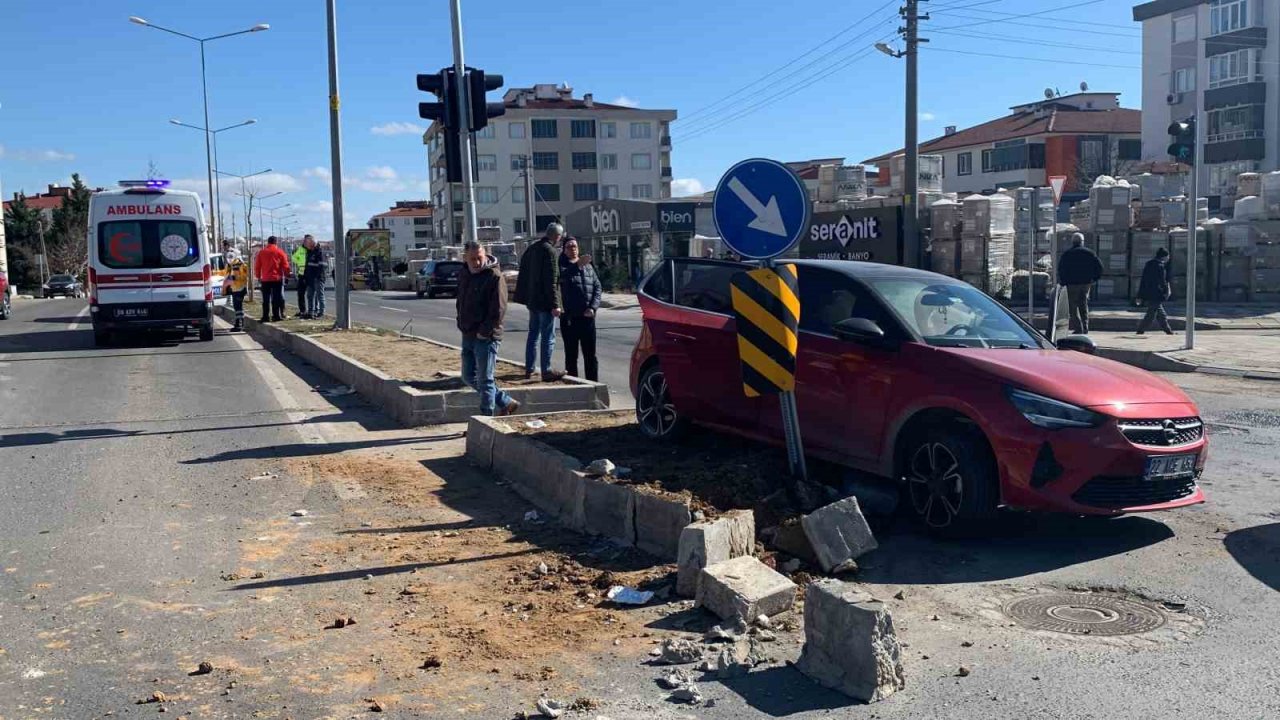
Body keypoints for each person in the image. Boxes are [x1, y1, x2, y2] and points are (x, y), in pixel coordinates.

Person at [456, 241, 519, 416]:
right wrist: (460, 322)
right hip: (468, 333)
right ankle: (505, 402)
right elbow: (460, 301)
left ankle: (486, 419)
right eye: (472, 259)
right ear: (465, 258)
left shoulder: (494, 276)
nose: (476, 263)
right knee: (468, 377)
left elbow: (498, 309)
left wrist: (484, 332)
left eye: (479, 258)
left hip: (487, 337)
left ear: (485, 256)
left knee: (485, 379)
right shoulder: (464, 274)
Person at [514, 222, 564, 381]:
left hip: (532, 300)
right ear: (557, 236)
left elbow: (524, 274)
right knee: (548, 337)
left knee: (533, 335)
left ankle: (530, 368)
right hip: (545, 302)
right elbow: (552, 280)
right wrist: (555, 304)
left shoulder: (532, 249)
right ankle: (546, 370)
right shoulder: (550, 251)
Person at [558, 236, 602, 381]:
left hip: (588, 318)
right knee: (571, 356)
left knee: (590, 355)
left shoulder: (588, 266)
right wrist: (577, 266)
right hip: (570, 319)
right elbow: (561, 279)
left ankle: (593, 384)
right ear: (564, 250)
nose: (573, 249)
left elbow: (597, 287)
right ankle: (573, 385)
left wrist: (593, 308)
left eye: (575, 246)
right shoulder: (561, 265)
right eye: (569, 246)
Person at [1057, 232, 1103, 334]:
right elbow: (1099, 267)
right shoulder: (1090, 253)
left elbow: (1061, 269)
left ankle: (1078, 328)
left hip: (1071, 284)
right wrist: (1094, 279)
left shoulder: (1067, 254)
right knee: (1083, 305)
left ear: (1072, 242)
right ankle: (1085, 327)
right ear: (1082, 242)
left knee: (1072, 307)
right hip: (1085, 284)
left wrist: (1063, 282)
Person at [1136, 247, 1175, 335]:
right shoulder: (1160, 266)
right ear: (1163, 256)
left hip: (1148, 292)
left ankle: (1168, 330)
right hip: (1156, 293)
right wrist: (1166, 292)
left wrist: (1139, 295)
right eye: (1168, 256)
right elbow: (1162, 281)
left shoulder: (1149, 264)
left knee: (1161, 314)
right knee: (1151, 314)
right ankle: (1140, 330)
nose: (1168, 258)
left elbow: (1143, 280)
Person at [254, 236, 291, 322]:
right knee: (276, 298)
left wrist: (258, 276)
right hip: (276, 279)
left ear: (268, 242)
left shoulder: (262, 252)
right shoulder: (280, 252)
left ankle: (265, 316)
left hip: (265, 279)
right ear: (276, 242)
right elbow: (285, 266)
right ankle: (276, 316)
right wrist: (287, 275)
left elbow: (257, 266)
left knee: (266, 299)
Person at [222, 249, 250, 332]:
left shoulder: (240, 264)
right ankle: (239, 323)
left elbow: (245, 276)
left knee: (238, 306)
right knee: (236, 306)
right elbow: (225, 274)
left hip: (240, 288)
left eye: (231, 256)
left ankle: (239, 324)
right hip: (234, 288)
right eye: (228, 256)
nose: (229, 258)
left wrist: (235, 278)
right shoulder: (230, 265)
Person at [303, 235, 328, 319]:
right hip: (310, 278)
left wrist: (317, 276)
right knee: (310, 295)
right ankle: (311, 312)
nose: (307, 246)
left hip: (318, 278)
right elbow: (308, 266)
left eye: (308, 244)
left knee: (319, 295)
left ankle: (321, 312)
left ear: (313, 244)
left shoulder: (320, 252)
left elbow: (322, 266)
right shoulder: (310, 252)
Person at [292, 242, 310, 318]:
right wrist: (300, 263)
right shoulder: (300, 249)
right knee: (300, 294)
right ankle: (302, 310)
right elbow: (294, 258)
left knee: (311, 294)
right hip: (302, 274)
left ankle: (312, 310)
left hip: (310, 274)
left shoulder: (311, 249)